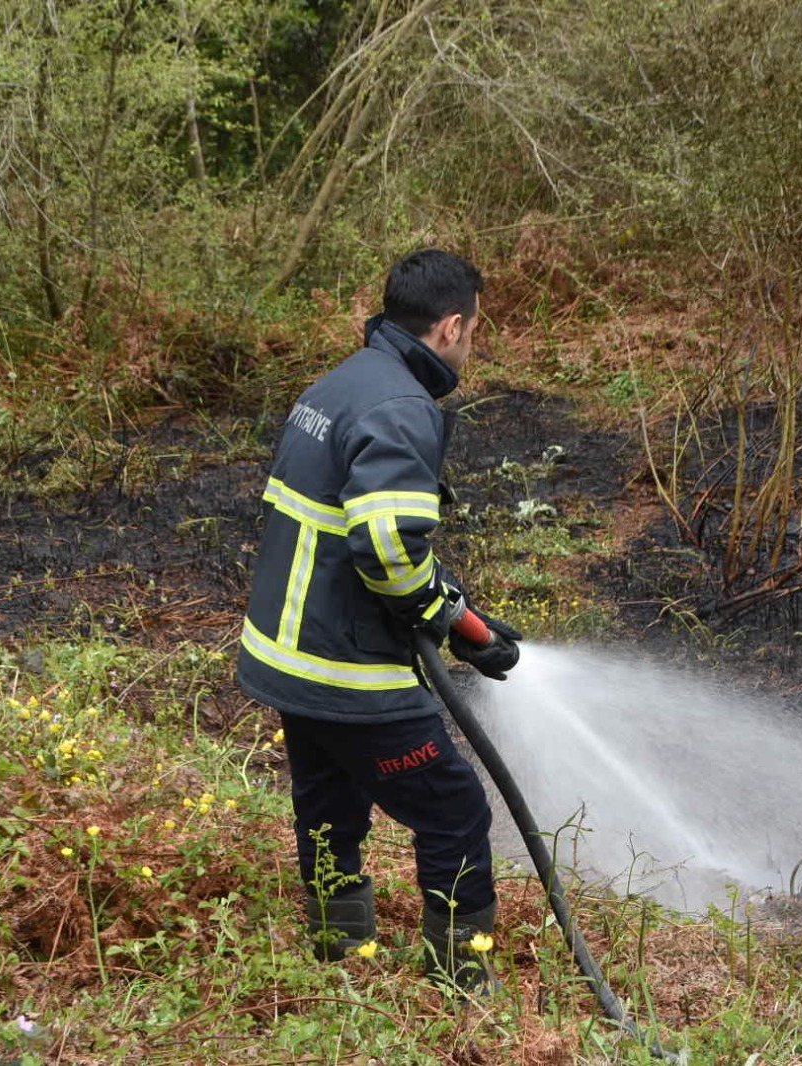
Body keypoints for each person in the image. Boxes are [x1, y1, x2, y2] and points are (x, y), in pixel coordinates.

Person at [238, 249, 523, 991]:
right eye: (474, 331)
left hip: (292, 656)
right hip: (347, 669)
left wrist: (460, 619)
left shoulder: (339, 383)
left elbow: (359, 527)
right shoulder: (401, 406)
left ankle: (340, 959)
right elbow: (389, 550)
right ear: (451, 325)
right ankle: (463, 977)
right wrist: (440, 614)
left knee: (331, 807)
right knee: (454, 809)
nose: (472, 345)